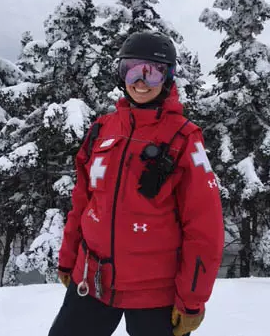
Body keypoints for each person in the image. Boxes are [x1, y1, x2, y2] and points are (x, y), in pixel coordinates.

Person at [48, 31, 224, 336]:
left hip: (154, 293)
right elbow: (82, 202)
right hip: (91, 281)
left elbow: (204, 226)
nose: (140, 81)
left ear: (168, 77)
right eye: (131, 69)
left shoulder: (184, 138)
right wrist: (68, 260)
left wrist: (192, 299)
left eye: (151, 72)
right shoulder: (101, 130)